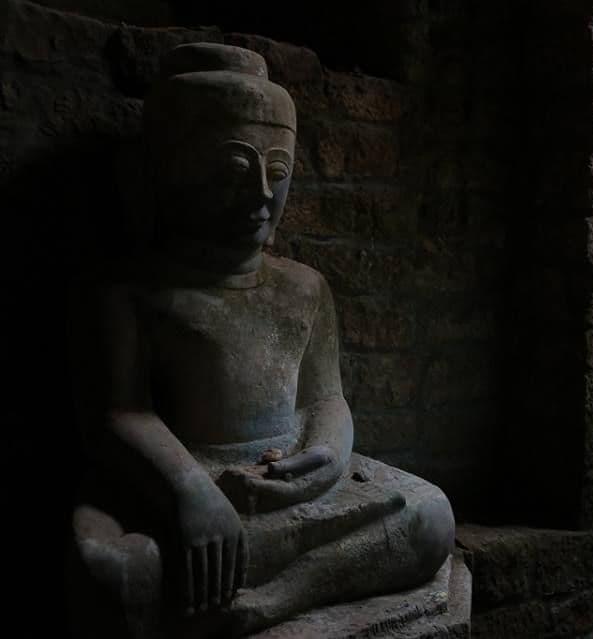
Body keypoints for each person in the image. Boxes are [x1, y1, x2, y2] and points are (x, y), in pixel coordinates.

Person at [70, 42, 454, 638]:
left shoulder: (304, 289)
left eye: (278, 174)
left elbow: (325, 400)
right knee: (106, 568)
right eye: (234, 171)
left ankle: (282, 597)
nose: (261, 197)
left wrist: (324, 459)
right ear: (171, 169)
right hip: (196, 487)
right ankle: (239, 574)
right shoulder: (135, 292)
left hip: (290, 490)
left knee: (429, 516)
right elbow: (121, 414)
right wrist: (190, 493)